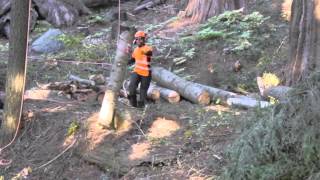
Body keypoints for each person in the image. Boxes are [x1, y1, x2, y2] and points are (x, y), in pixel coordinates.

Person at [127, 31, 153, 108]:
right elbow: (132, 60)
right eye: (137, 39)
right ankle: (133, 104)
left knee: (143, 91)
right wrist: (126, 62)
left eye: (140, 39)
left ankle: (141, 107)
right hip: (137, 72)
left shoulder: (148, 48)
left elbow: (149, 53)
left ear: (144, 40)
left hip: (146, 73)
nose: (138, 41)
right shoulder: (135, 50)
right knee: (131, 88)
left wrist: (142, 50)